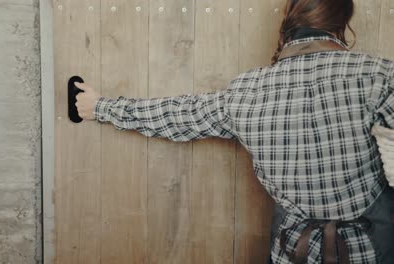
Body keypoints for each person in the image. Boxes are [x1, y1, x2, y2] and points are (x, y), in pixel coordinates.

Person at [74, 0, 394, 263]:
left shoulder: (246, 91)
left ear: (288, 24)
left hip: (290, 254)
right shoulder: (378, 76)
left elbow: (178, 114)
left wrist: (100, 107)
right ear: (343, 24)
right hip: (371, 252)